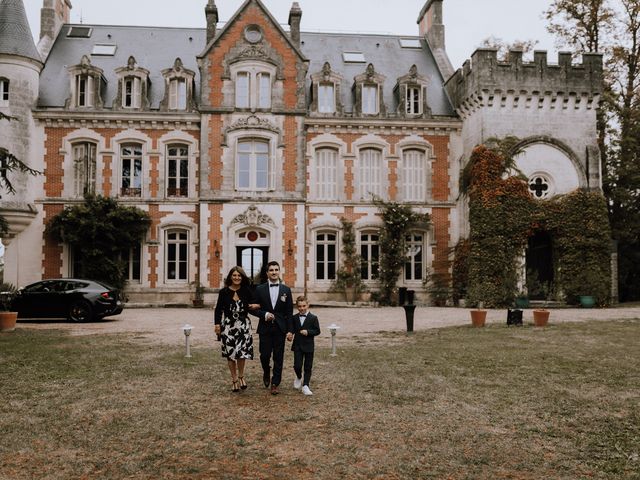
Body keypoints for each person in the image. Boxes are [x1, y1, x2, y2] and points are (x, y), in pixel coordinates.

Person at [214, 267, 259, 392]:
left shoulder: (246, 290)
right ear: (230, 277)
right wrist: (217, 324)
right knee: (231, 354)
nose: (237, 277)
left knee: (242, 353)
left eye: (239, 275)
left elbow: (256, 302)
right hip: (228, 326)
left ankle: (241, 376)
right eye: (234, 275)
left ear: (242, 277)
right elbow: (218, 309)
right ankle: (234, 380)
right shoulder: (223, 292)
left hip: (243, 325)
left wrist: (256, 305)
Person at [252, 261, 293, 395]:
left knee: (278, 357)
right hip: (265, 328)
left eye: (276, 270)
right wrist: (264, 314)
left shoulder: (286, 290)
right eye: (271, 270)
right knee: (264, 355)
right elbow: (252, 309)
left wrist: (290, 330)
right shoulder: (259, 289)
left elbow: (289, 312)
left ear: (279, 271)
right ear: (267, 273)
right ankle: (266, 371)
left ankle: (275, 383)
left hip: (280, 328)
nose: (274, 272)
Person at [291, 295, 320, 396]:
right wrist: (290, 334)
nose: (302, 308)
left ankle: (306, 385)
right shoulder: (294, 318)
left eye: (304, 306)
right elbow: (292, 329)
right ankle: (299, 376)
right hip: (297, 345)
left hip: (309, 346)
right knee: (297, 365)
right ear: (296, 307)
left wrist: (308, 332)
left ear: (308, 305)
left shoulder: (313, 318)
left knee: (308, 366)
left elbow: (317, 331)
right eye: (299, 306)